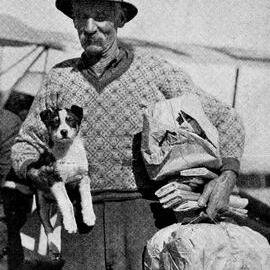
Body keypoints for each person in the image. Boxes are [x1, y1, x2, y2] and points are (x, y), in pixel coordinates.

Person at [10, 0, 245, 269]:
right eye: (81, 17)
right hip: (80, 223)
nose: (89, 27)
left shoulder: (155, 72)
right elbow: (25, 145)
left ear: (120, 19)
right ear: (73, 21)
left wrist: (227, 175)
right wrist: (34, 173)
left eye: (100, 16)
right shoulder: (59, 78)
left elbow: (226, 119)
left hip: (145, 221)